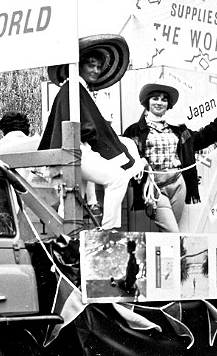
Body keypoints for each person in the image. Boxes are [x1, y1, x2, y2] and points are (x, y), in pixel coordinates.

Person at [40, 50, 144, 231]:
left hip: (71, 151)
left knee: (72, 200)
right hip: (76, 150)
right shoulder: (74, 88)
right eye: (91, 65)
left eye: (98, 67)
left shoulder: (73, 88)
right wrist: (100, 139)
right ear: (78, 66)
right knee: (118, 178)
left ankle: (66, 239)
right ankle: (108, 231)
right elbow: (87, 128)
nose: (96, 71)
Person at [124, 83, 217, 233]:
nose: (159, 103)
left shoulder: (178, 129)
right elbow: (124, 154)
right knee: (172, 232)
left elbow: (201, 139)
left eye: (164, 100)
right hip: (154, 187)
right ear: (147, 102)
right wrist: (138, 160)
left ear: (168, 105)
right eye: (155, 98)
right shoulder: (134, 130)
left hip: (178, 184)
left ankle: (168, 256)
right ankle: (177, 255)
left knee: (170, 233)